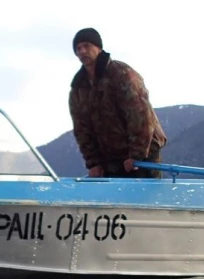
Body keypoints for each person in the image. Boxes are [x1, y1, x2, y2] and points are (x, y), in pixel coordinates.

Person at [68, 27, 167, 178]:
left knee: (146, 198)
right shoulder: (78, 87)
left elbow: (139, 114)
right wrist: (94, 163)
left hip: (143, 155)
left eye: (86, 46)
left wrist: (137, 154)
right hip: (110, 160)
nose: (82, 51)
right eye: (78, 48)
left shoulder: (121, 74)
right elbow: (82, 128)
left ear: (98, 47)